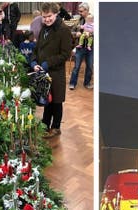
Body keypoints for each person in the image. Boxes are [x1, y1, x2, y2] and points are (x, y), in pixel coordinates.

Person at [30, 2, 71, 138]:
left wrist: (48, 63)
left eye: (49, 16)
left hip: (56, 72)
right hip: (43, 71)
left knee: (57, 101)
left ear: (56, 14)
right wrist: (34, 61)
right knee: (47, 100)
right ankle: (45, 124)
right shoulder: (44, 28)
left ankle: (56, 127)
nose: (47, 19)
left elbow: (65, 54)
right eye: (44, 16)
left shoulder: (63, 30)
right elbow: (37, 48)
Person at [68, 3, 93, 90]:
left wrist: (91, 34)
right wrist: (76, 34)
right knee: (76, 66)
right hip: (80, 48)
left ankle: (87, 83)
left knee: (89, 67)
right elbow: (72, 32)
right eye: (79, 11)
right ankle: (72, 83)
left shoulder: (94, 20)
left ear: (87, 10)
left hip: (91, 48)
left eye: (81, 11)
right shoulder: (79, 20)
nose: (79, 13)